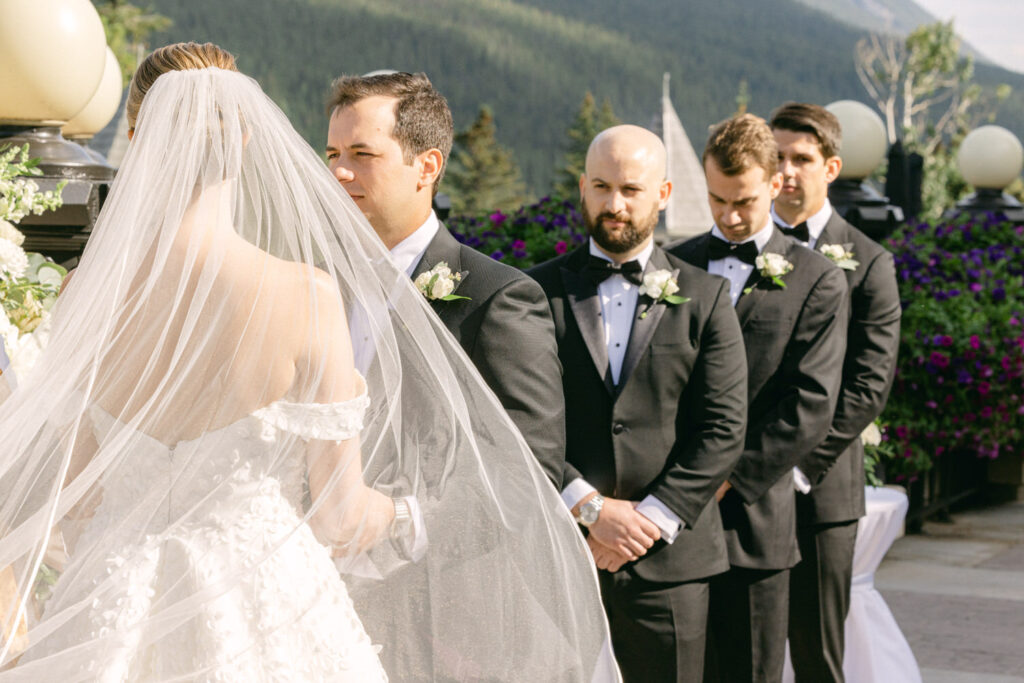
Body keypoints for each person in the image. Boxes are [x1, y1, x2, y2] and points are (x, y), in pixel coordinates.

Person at [0, 43, 618, 681]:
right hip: (261, 605)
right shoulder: (304, 295)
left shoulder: (84, 294)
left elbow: (75, 491)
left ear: (136, 136)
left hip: (109, 599)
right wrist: (404, 516)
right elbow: (339, 517)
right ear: (244, 136)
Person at [529, 125, 748, 682]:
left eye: (630, 189)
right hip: (561, 556)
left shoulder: (706, 297)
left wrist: (646, 522)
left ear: (665, 194)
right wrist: (590, 510)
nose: (614, 204)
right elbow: (526, 421)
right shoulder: (535, 293)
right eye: (600, 187)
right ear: (582, 187)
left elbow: (724, 429)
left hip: (670, 565)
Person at [668, 114, 849, 683]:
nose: (728, 216)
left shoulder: (819, 279)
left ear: (774, 185)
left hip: (755, 521)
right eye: (716, 199)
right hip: (673, 520)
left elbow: (810, 404)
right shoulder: (674, 266)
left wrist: (726, 476)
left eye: (742, 200)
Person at [324, 72, 566, 487]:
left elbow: (530, 474)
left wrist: (402, 521)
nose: (339, 173)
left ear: (427, 166)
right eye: (333, 154)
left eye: (361, 154)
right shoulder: (313, 285)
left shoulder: (496, 299)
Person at [770, 102, 901, 683]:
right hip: (737, 490)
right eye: (777, 158)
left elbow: (868, 385)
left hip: (820, 492)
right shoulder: (739, 254)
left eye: (802, 158)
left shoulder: (870, 264)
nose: (788, 170)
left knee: (819, 654)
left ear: (832, 166)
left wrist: (795, 467)